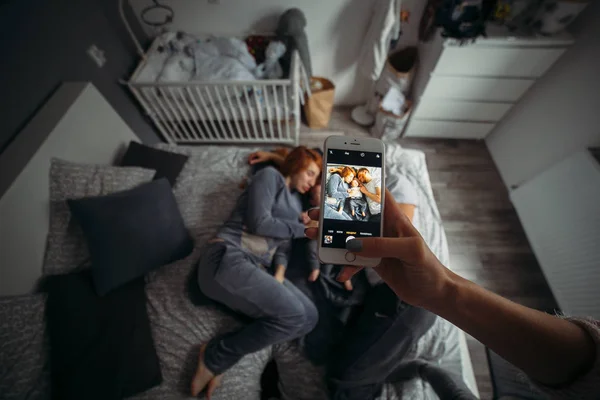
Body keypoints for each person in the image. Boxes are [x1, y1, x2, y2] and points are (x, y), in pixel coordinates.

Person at [304, 189, 600, 398]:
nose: (315, 192)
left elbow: (395, 223)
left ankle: (398, 372)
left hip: (402, 297)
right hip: (403, 290)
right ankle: (402, 367)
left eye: (317, 183)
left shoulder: (395, 187)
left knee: (344, 379)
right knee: (337, 352)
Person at [191, 147, 322, 398]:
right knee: (294, 315)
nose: (311, 182)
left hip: (256, 267)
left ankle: (224, 354)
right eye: (309, 173)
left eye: (315, 179)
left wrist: (280, 275)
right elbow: (259, 223)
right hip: (226, 257)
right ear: (296, 165)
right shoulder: (269, 177)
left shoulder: (295, 204)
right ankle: (217, 355)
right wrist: (304, 229)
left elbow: (282, 247)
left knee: (309, 317)